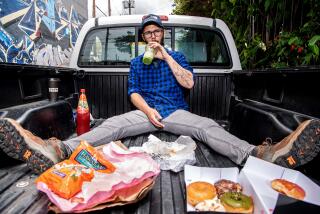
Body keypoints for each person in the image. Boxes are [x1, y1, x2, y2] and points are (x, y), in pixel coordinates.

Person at [0, 14, 319, 174]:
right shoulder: (137, 61)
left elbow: (190, 84)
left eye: (156, 32)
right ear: (142, 38)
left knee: (206, 127)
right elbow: (134, 92)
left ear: (162, 34)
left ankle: (259, 155)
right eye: (147, 33)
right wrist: (147, 112)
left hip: (175, 112)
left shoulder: (177, 57)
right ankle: (59, 150)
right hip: (145, 112)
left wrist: (166, 55)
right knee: (109, 127)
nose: (152, 36)